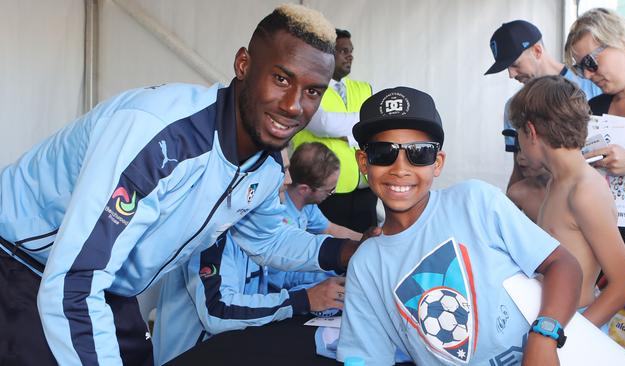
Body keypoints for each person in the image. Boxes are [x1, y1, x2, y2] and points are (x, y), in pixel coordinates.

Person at [0, 5, 363, 365]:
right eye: (281, 79)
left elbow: (267, 239)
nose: (293, 106)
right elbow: (74, 281)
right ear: (243, 64)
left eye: (313, 92)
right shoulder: (159, 137)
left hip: (105, 286)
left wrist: (347, 250)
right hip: (25, 267)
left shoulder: (266, 164)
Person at [337, 86, 583, 365]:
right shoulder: (367, 265)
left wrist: (544, 337)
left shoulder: (475, 202)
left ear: (438, 162)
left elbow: (562, 264)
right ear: (363, 162)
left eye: (419, 153)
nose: (400, 168)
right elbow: (365, 357)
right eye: (383, 153)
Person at [153, 149, 345, 365]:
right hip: (193, 355)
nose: (288, 180)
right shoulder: (210, 233)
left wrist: (331, 284)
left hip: (235, 345)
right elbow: (218, 312)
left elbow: (281, 277)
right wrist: (304, 299)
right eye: (283, 170)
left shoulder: (252, 225)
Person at [509, 75, 625, 330]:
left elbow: (624, 285)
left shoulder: (584, 191)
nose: (518, 146)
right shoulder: (556, 182)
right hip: (553, 320)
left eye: (517, 134)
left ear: (531, 132)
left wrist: (569, 337)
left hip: (574, 323)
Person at [565, 7, 625, 242]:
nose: (588, 75)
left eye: (591, 62)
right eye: (580, 68)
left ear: (624, 42)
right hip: (602, 242)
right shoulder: (593, 107)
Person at [485, 20, 601, 189]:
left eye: (515, 64)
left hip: (594, 197)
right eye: (506, 68)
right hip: (542, 205)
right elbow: (518, 173)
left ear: (537, 51)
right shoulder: (514, 107)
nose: (511, 74)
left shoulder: (591, 84)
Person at [292, 28, 377, 233]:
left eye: (351, 50)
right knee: (328, 252)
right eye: (342, 51)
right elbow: (322, 123)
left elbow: (377, 125)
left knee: (366, 250)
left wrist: (348, 129)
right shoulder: (307, 85)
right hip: (324, 189)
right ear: (326, 53)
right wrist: (364, 126)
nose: (350, 55)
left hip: (365, 188)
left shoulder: (364, 88)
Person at [282, 142, 362, 240]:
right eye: (329, 191)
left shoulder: (307, 205)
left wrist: (368, 241)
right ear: (304, 189)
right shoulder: (278, 217)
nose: (333, 192)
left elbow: (330, 229)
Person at [502, 129, 549, 221]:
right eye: (518, 150)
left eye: (527, 150)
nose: (519, 157)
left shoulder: (575, 192)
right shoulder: (517, 193)